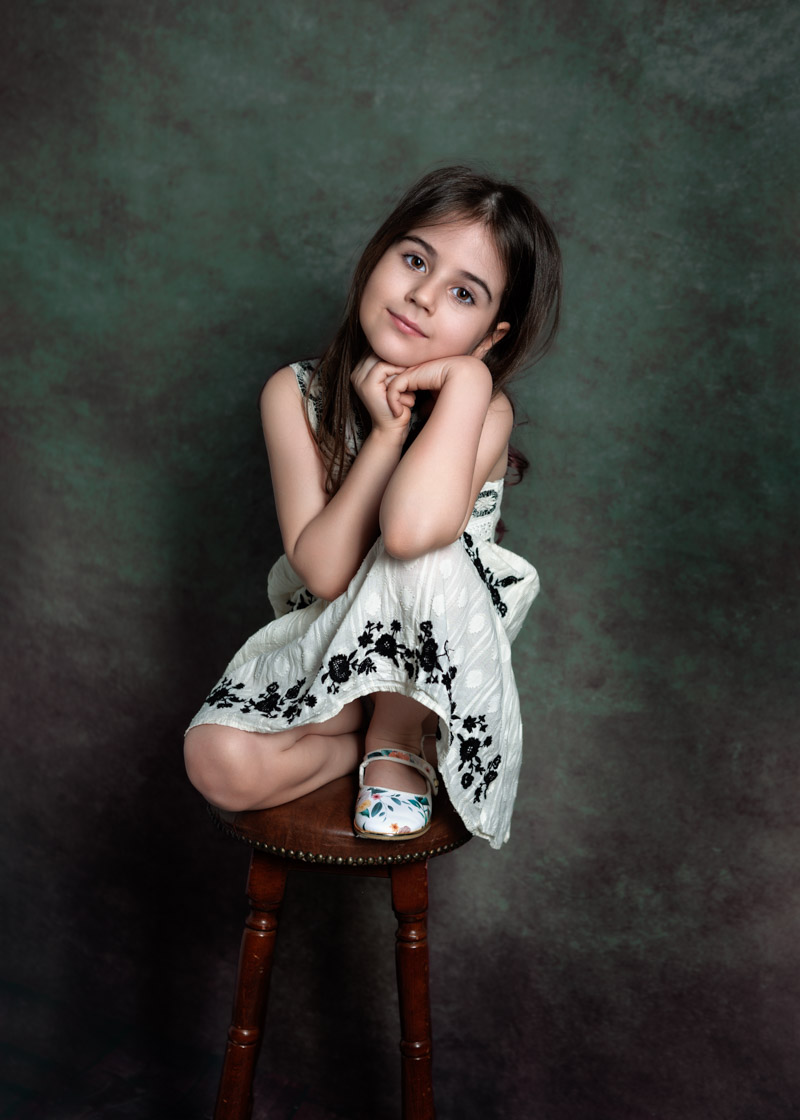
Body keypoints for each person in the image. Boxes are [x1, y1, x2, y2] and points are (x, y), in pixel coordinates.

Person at [184, 166, 561, 849]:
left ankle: (398, 734)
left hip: (426, 666)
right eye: (415, 260)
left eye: (464, 293)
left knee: (417, 550)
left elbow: (412, 532)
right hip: (329, 638)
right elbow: (326, 573)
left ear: (490, 335)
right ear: (377, 255)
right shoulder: (293, 394)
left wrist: (468, 378)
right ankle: (352, 741)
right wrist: (385, 436)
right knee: (215, 761)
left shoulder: (481, 408)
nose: (422, 296)